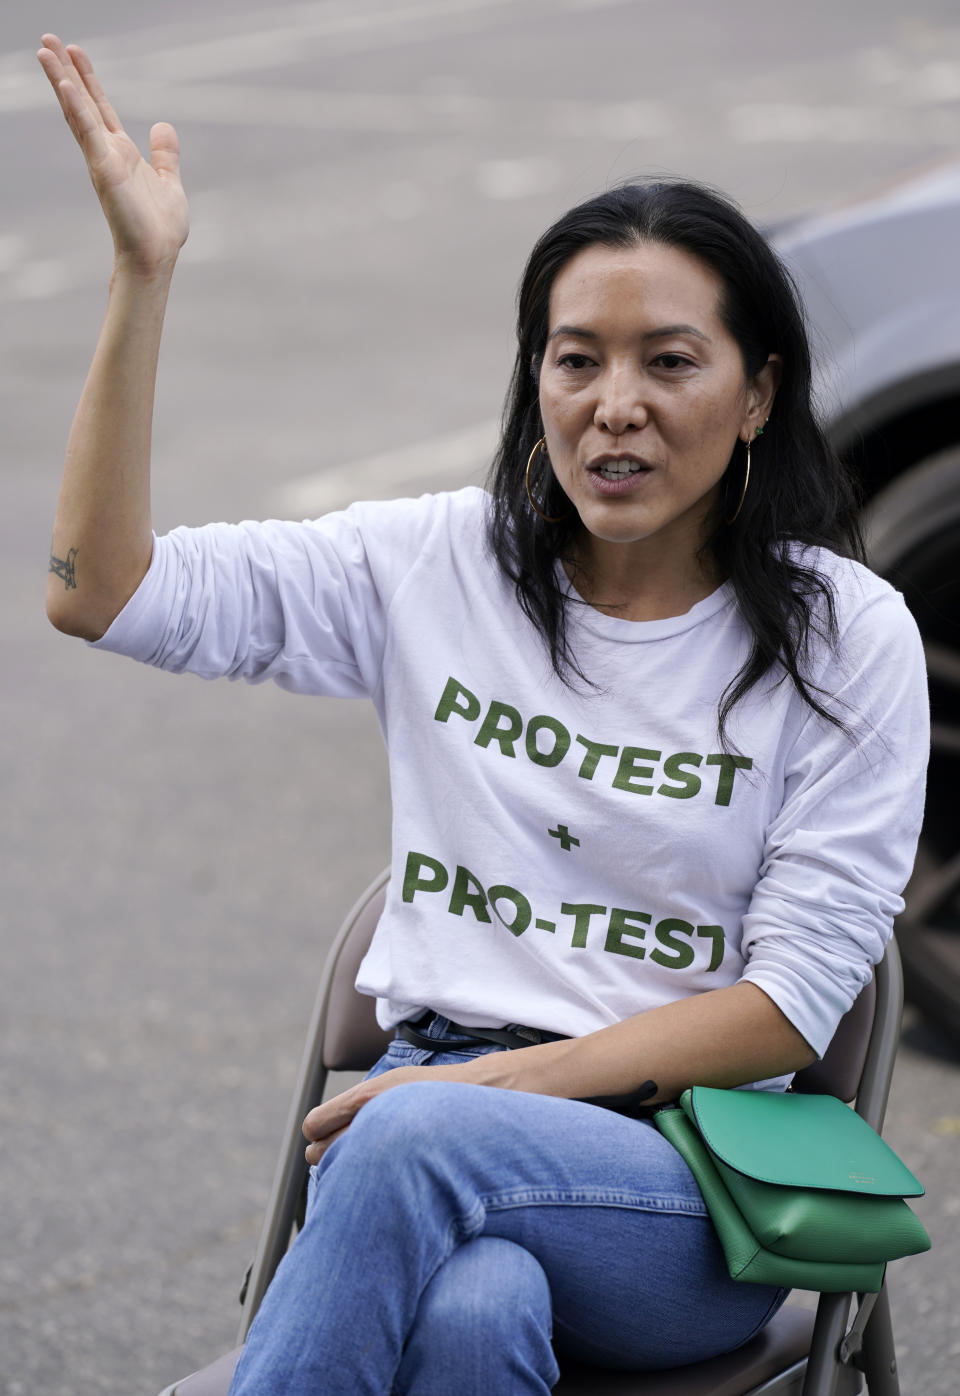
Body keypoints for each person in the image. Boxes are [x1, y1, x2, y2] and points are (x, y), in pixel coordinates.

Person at [38, 33, 928, 1396]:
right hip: (433, 1107)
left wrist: (482, 1098)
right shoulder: (435, 566)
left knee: (405, 1151)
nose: (614, 405)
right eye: (576, 361)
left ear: (756, 394)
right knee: (471, 1317)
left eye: (670, 363)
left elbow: (792, 1008)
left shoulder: (841, 634)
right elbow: (101, 592)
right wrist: (141, 277)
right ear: (538, 382)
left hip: (683, 1174)